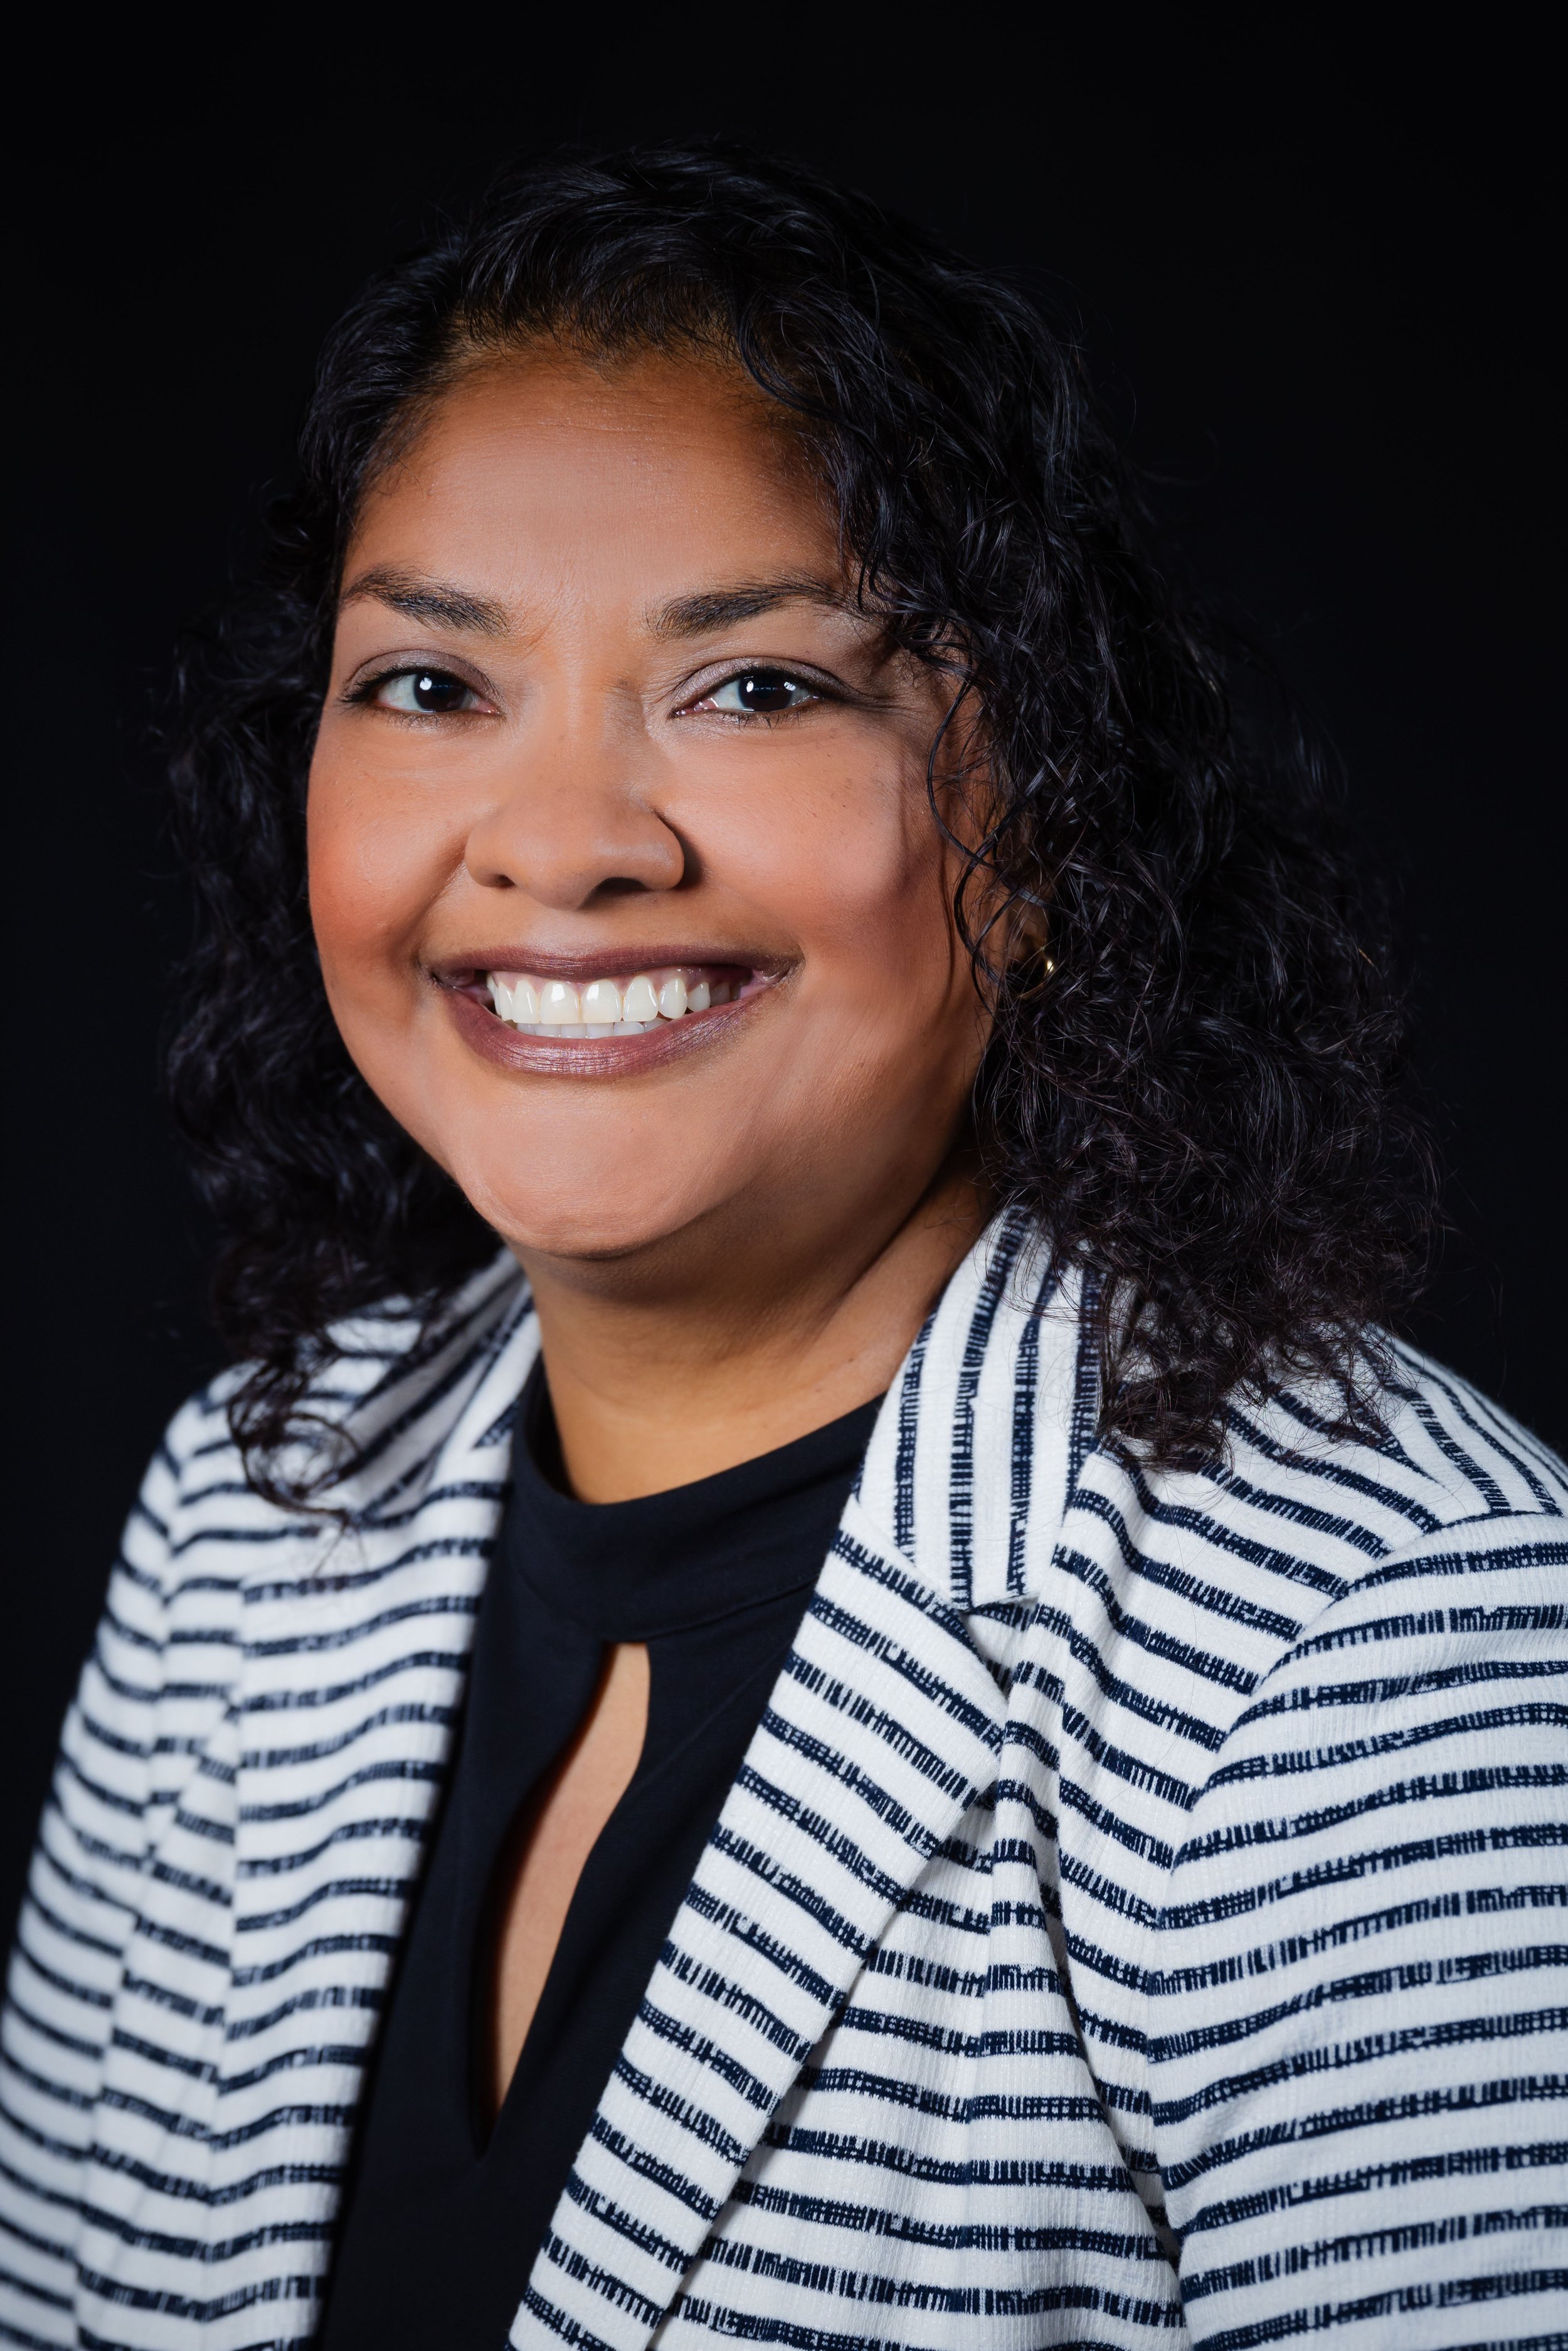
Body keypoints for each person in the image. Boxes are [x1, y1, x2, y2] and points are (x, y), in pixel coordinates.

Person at [2, 142, 1563, 2351]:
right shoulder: (247, 1519)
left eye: (757, 687)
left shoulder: (1381, 1646)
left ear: (1046, 813)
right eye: (431, 686)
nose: (558, 846)